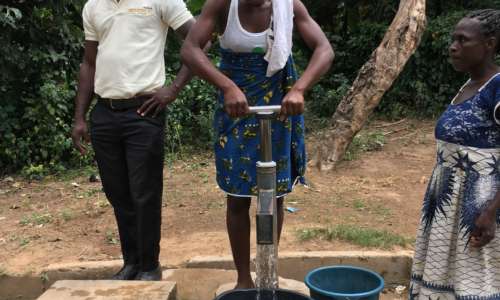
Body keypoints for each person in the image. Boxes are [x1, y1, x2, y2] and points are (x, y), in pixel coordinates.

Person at [181, 0, 334, 289]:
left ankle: (267, 271)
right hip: (236, 108)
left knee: (274, 196)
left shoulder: (289, 6)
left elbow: (324, 49)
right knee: (237, 197)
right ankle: (243, 280)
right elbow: (190, 49)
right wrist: (226, 86)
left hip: (280, 106)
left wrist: (300, 88)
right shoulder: (223, 5)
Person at [71, 0, 195, 281]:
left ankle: (150, 266)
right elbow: (89, 63)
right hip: (104, 112)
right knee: (118, 194)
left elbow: (198, 40)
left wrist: (173, 89)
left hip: (144, 111)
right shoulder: (93, 6)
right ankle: (131, 263)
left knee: (145, 193)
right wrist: (80, 117)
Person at [410, 9, 500, 299]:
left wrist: (489, 213)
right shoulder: (469, 87)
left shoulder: (497, 88)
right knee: (445, 281)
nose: (453, 46)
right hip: (447, 206)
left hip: (479, 207)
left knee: (476, 283)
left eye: (463, 40)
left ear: (490, 43)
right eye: (453, 39)